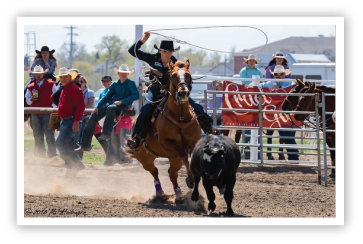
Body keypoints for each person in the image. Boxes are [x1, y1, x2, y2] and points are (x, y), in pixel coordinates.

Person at [127, 31, 219, 149]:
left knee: (195, 105)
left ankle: (209, 128)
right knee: (147, 108)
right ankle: (137, 138)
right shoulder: (152, 58)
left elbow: (178, 77)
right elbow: (132, 51)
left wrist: (161, 74)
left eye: (170, 51)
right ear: (160, 51)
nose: (167, 54)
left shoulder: (176, 63)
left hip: (172, 92)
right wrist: (143, 40)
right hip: (155, 90)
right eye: (165, 51)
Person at [75, 64, 139, 152]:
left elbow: (135, 95)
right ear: (118, 73)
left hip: (123, 105)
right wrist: (97, 106)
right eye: (122, 72)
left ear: (128, 74)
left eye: (125, 73)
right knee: (93, 117)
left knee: (110, 108)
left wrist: (122, 101)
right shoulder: (115, 84)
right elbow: (106, 96)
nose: (123, 74)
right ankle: (85, 144)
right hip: (112, 104)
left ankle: (106, 133)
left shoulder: (130, 83)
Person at [260, 65, 299, 161]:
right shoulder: (269, 83)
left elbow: (293, 91)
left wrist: (279, 88)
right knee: (286, 135)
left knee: (287, 135)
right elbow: (258, 87)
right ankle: (293, 156)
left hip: (284, 114)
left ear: (284, 75)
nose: (278, 76)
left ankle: (293, 156)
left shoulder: (289, 83)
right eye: (276, 74)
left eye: (280, 74)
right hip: (273, 114)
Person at [54, 68, 85, 177]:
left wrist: (76, 121)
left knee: (59, 143)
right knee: (68, 145)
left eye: (64, 76)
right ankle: (71, 171)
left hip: (71, 121)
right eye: (61, 77)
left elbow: (81, 106)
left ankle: (77, 163)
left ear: (70, 77)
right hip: (66, 121)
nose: (62, 78)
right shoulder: (65, 89)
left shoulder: (74, 89)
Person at [25, 65, 58, 158]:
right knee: (37, 133)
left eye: (40, 74)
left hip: (47, 112)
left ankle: (52, 153)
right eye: (36, 74)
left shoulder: (51, 84)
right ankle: (41, 154)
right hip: (35, 113)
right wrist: (31, 99)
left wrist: (52, 108)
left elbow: (56, 98)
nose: (38, 75)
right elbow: (27, 100)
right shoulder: (30, 86)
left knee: (49, 133)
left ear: (43, 74)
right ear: (34, 75)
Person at [237, 54, 263, 159]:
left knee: (257, 126)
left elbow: (261, 83)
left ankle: (257, 154)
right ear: (247, 62)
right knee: (247, 126)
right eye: (250, 61)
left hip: (256, 99)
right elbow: (244, 84)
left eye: (253, 61)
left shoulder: (259, 71)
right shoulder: (244, 71)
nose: (251, 62)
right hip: (247, 98)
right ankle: (245, 152)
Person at [76, 76, 108, 159]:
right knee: (82, 138)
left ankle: (110, 155)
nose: (80, 83)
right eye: (78, 81)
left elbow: (89, 106)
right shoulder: (78, 92)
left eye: (82, 81)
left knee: (99, 137)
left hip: (89, 118)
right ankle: (79, 158)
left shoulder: (89, 92)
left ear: (85, 83)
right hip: (83, 117)